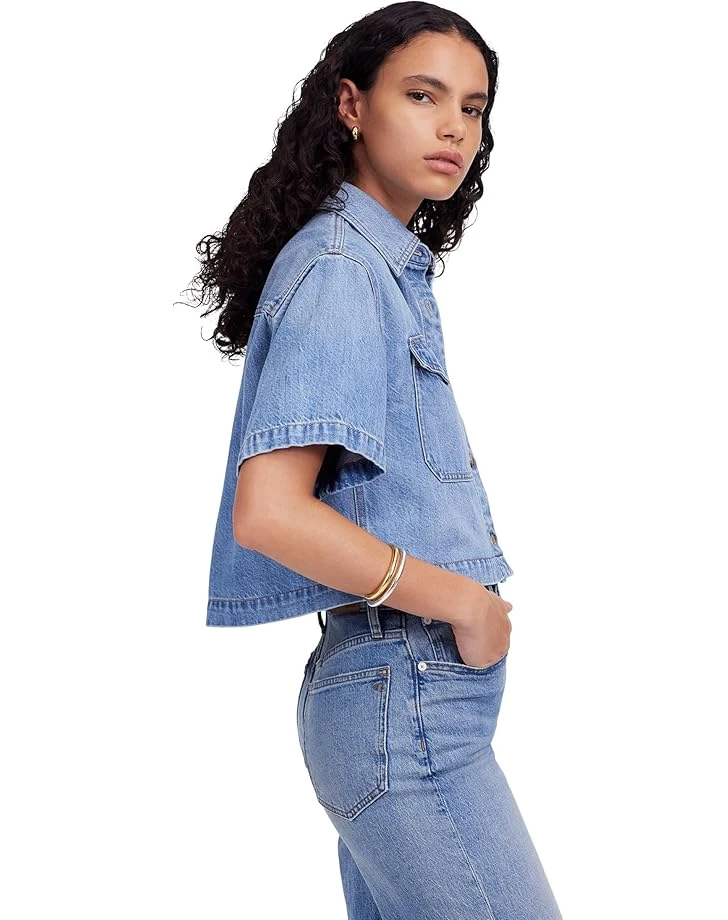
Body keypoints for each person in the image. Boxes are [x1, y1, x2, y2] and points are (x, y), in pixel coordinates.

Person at [187, 2, 563, 917]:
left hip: (399, 697)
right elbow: (269, 511)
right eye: (422, 96)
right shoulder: (343, 268)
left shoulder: (374, 266)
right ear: (351, 105)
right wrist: (463, 602)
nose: (454, 128)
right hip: (409, 699)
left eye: (472, 108)